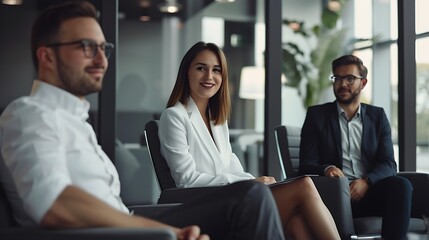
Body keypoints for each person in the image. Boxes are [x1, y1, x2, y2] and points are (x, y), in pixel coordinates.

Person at [0, 2, 286, 240]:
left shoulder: (76, 121)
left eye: (104, 48)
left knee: (256, 198)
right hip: (111, 233)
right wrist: (166, 230)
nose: (102, 59)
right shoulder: (29, 114)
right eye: (87, 47)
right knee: (252, 198)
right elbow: (54, 203)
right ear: (47, 56)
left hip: (128, 222)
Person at [158, 41, 341, 240]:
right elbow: (186, 180)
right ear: (187, 72)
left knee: (295, 221)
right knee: (304, 185)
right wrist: (249, 184)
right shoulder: (174, 116)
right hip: (205, 205)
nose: (209, 76)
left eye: (216, 70)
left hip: (230, 198)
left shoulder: (217, 120)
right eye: (201, 68)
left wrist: (255, 183)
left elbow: (232, 167)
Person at [299, 55, 413, 240]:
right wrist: (327, 169)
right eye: (337, 78)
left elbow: (389, 164)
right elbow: (305, 164)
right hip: (334, 195)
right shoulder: (316, 116)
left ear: (363, 82)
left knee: (401, 185)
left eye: (350, 78)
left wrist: (366, 182)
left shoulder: (377, 116)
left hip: (369, 193)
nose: (343, 84)